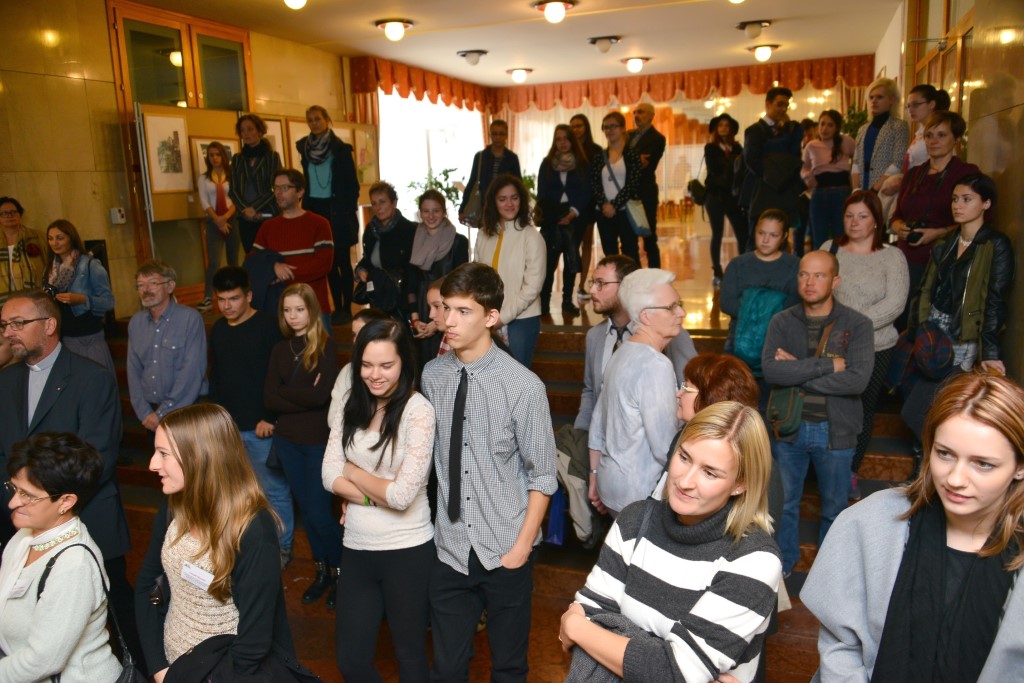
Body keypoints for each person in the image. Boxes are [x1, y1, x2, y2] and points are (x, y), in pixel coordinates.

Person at [802, 373, 1024, 682]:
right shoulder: (870, 522)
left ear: (1019, 466)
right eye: (945, 454)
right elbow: (841, 647)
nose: (955, 479)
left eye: (983, 464)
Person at [560, 401, 782, 682]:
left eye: (710, 472)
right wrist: (664, 660)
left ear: (741, 484)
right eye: (684, 457)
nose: (685, 481)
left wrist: (577, 628)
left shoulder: (754, 560)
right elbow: (591, 612)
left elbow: (673, 673)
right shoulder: (635, 520)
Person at [421, 262, 557, 682]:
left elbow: (543, 476)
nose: (449, 321)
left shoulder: (523, 386)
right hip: (450, 547)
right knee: (446, 668)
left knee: (509, 667)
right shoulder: (432, 375)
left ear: (491, 317)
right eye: (446, 308)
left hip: (506, 546)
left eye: (463, 311)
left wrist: (520, 550)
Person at [0, 289, 139, 667]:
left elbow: (98, 458)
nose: (8, 332)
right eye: (4, 325)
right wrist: (18, 502)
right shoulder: (6, 381)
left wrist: (47, 506)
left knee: (118, 617)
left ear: (49, 325)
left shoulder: (91, 378)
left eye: (18, 323)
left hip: (87, 517)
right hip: (23, 524)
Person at [135, 404, 309, 681]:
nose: (153, 464)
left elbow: (253, 644)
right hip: (172, 666)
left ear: (199, 457)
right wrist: (159, 668)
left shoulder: (253, 529)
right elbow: (146, 586)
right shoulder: (174, 506)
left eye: (163, 454)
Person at [323, 318, 436, 681]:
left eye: (386, 365)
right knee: (351, 661)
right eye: (367, 365)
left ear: (404, 362)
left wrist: (352, 471)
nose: (375, 375)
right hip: (357, 547)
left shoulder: (418, 411)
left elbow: (402, 497)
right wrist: (376, 495)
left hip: (408, 550)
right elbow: (328, 475)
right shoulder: (351, 403)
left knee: (410, 657)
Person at [762, 250, 874, 576]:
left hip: (835, 429)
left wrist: (796, 371)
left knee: (834, 509)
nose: (809, 282)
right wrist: (826, 366)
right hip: (789, 428)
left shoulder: (858, 325)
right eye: (803, 274)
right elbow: (771, 371)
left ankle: (828, 573)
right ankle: (781, 567)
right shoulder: (782, 321)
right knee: (784, 505)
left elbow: (857, 380)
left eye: (819, 275)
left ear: (835, 281)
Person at [899, 173, 1014, 441]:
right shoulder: (946, 242)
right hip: (933, 330)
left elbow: (995, 300)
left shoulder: (995, 244)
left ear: (986, 203)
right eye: (954, 199)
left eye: (966, 199)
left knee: (940, 408)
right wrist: (918, 327)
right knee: (919, 407)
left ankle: (931, 459)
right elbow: (926, 288)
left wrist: (990, 351)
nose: (957, 205)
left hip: (964, 334)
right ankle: (926, 458)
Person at [0, 432, 122, 682]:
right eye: (14, 488)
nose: (13, 503)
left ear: (66, 501)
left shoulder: (74, 565)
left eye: (28, 495)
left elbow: (41, 661)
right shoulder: (24, 536)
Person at [821, 191, 908, 491]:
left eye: (862, 216)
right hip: (830, 344)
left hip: (876, 346)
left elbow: (895, 303)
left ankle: (850, 471)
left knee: (862, 410)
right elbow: (815, 290)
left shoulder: (892, 257)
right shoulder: (830, 249)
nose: (854, 222)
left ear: (876, 221)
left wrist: (852, 328)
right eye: (849, 216)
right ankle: (825, 470)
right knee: (828, 407)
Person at [207, 266, 292, 567]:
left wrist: (271, 417)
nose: (227, 306)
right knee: (238, 493)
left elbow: (281, 377)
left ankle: (281, 549)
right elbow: (217, 377)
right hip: (229, 428)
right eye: (221, 299)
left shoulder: (268, 327)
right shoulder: (218, 329)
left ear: (249, 296)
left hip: (261, 428)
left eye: (233, 298)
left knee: (273, 491)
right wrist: (217, 421)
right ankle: (250, 549)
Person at [265, 283, 341, 607]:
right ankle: (322, 572)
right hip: (288, 443)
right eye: (287, 310)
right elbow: (269, 398)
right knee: (308, 514)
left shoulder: (325, 346)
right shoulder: (280, 349)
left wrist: (287, 393)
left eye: (299, 309)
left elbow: (321, 397)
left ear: (311, 310)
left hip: (317, 442)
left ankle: (341, 573)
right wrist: (303, 396)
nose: (293, 316)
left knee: (320, 513)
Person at [588, 268, 684, 517]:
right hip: (641, 492)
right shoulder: (656, 364)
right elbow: (665, 447)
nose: (681, 313)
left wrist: (594, 475)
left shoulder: (621, 352)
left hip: (612, 485)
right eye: (672, 307)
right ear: (646, 316)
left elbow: (597, 426)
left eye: (679, 304)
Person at [891, 111, 980, 328]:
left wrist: (938, 232)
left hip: (942, 260)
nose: (933, 141)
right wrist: (899, 226)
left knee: (926, 326)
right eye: (929, 135)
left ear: (956, 139)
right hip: (904, 258)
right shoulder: (914, 174)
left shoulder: (966, 173)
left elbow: (977, 220)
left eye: (941, 135)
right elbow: (896, 216)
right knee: (899, 320)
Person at [719, 209, 800, 407]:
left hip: (777, 343)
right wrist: (772, 303)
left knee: (770, 405)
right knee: (733, 404)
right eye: (761, 233)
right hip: (738, 341)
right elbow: (726, 303)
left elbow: (794, 305)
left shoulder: (794, 265)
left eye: (773, 235)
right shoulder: (738, 264)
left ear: (784, 236)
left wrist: (751, 302)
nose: (765, 240)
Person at [295, 105, 361, 324]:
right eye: (310, 120)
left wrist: (346, 209)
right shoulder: (304, 148)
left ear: (327, 120)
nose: (314, 123)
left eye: (318, 119)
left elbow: (352, 185)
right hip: (316, 209)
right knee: (327, 262)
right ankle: (335, 308)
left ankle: (346, 307)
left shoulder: (340, 149)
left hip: (338, 211)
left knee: (342, 261)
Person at [472, 173, 546, 368]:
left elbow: (532, 288)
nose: (509, 204)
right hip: (488, 317)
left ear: (521, 200)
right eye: (502, 199)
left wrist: (502, 318)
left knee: (516, 377)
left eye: (514, 198)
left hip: (522, 320)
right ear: (493, 202)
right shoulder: (483, 234)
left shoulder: (532, 237)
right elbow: (476, 278)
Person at [127, 260, 207, 434]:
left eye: (153, 283)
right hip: (150, 416)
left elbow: (192, 372)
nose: (145, 289)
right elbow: (133, 372)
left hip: (186, 410)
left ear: (170, 286)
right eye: (140, 285)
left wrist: (162, 413)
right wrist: (145, 413)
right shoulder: (136, 323)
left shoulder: (190, 319)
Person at [251, 168, 335, 323]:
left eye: (284, 188)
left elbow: (323, 264)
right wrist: (273, 267)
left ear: (300, 192)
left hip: (314, 307)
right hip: (279, 309)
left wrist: (283, 275)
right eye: (276, 188)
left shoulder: (319, 223)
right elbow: (252, 261)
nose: (278, 193)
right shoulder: (267, 227)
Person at [42, 219, 116, 372]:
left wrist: (82, 299)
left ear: (71, 238)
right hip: (62, 338)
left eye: (60, 238)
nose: (55, 243)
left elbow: (109, 302)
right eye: (50, 238)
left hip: (87, 337)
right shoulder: (49, 269)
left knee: (94, 382)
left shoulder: (90, 265)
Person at [740, 87, 805, 253]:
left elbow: (795, 158)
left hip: (784, 193)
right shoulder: (754, 131)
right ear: (768, 104)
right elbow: (751, 161)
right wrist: (775, 176)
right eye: (779, 104)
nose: (783, 109)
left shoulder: (790, 131)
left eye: (786, 105)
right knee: (756, 238)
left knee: (781, 238)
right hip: (761, 193)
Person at [536, 123, 592, 316]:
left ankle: (567, 301)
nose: (562, 143)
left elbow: (587, 191)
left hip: (575, 218)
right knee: (548, 263)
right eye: (558, 139)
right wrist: (555, 215)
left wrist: (573, 212)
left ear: (572, 141)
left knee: (571, 262)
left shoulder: (582, 164)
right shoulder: (547, 163)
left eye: (566, 138)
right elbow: (542, 193)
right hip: (552, 219)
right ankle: (544, 303)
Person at [409, 189, 468, 359]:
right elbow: (410, 283)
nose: (431, 216)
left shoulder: (459, 242)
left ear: (444, 212)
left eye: (436, 210)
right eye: (426, 211)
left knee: (445, 363)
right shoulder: (413, 239)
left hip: (447, 311)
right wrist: (415, 319)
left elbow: (461, 285)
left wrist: (436, 322)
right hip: (420, 311)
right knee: (420, 363)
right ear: (420, 213)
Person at [354, 181, 418, 323]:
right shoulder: (370, 230)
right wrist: (361, 269)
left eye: (382, 202)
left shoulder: (408, 230)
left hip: (401, 297)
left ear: (394, 203)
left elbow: (412, 270)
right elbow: (368, 259)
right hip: (377, 295)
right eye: (374, 203)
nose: (378, 207)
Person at [879, 83, 952, 196]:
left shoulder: (940, 133)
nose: (911, 110)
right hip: (913, 188)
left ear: (931, 104)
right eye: (908, 106)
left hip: (928, 190)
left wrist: (902, 182)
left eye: (916, 105)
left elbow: (940, 168)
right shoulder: (920, 132)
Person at [328, 307, 393, 429]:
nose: (356, 340)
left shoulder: (395, 370)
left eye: (363, 333)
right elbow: (333, 420)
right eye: (354, 334)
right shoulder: (348, 371)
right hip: (352, 438)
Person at [590, 111, 642, 264]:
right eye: (606, 127)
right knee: (610, 255)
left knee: (630, 254)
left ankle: (633, 280)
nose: (609, 130)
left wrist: (614, 205)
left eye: (613, 126)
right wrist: (605, 205)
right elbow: (594, 183)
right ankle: (614, 281)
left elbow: (633, 183)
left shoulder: (632, 154)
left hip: (626, 211)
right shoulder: (599, 156)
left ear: (623, 128)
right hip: (603, 212)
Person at [703, 113, 748, 286]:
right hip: (715, 196)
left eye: (727, 125)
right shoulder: (711, 148)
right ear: (716, 129)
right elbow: (714, 169)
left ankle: (743, 268)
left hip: (733, 197)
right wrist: (731, 164)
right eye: (720, 125)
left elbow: (741, 169)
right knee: (717, 233)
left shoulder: (737, 147)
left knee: (742, 233)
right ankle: (717, 270)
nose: (723, 128)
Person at [801, 109, 855, 249]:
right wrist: (808, 177)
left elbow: (859, 159)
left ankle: (841, 262)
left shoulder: (846, 141)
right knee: (819, 236)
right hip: (819, 192)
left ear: (837, 128)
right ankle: (821, 262)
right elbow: (804, 167)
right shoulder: (811, 145)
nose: (824, 129)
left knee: (841, 235)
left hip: (841, 193)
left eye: (830, 125)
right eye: (822, 124)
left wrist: (855, 180)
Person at [230, 114, 282, 253]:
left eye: (250, 129)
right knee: (251, 256)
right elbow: (233, 190)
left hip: (267, 214)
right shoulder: (237, 159)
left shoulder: (272, 157)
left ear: (259, 131)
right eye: (242, 130)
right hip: (245, 217)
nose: (246, 133)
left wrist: (255, 208)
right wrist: (245, 210)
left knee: (271, 255)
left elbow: (275, 187)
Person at [197, 141, 239, 311]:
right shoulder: (204, 178)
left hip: (232, 220)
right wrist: (218, 220)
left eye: (217, 154)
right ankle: (208, 297)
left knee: (233, 260)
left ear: (223, 156)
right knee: (214, 261)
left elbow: (236, 199)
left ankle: (236, 294)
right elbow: (204, 202)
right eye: (211, 155)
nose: (214, 158)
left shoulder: (232, 176)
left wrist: (226, 218)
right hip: (213, 222)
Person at [850, 77, 910, 198]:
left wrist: (875, 189)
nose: (874, 101)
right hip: (862, 189)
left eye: (879, 97)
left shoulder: (899, 126)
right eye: (871, 97)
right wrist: (856, 190)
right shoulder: (862, 129)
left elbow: (898, 162)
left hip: (885, 191)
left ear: (892, 100)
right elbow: (855, 162)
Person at [458, 119, 522, 224]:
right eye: (495, 134)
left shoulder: (512, 158)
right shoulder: (480, 157)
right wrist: (463, 208)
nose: (498, 137)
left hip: (506, 207)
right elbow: (472, 182)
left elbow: (518, 185)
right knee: (485, 233)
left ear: (506, 135)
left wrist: (521, 209)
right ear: (490, 135)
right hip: (485, 207)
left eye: (501, 134)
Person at [628, 102, 666, 267]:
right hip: (627, 193)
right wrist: (635, 158)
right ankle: (633, 274)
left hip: (645, 192)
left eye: (641, 112)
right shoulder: (627, 135)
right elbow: (618, 158)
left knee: (649, 238)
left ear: (651, 115)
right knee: (629, 240)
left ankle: (655, 275)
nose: (637, 115)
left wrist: (628, 158)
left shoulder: (657, 138)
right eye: (635, 112)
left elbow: (645, 164)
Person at [569, 114, 602, 299]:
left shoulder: (596, 150)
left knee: (586, 244)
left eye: (579, 126)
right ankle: (568, 285)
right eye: (573, 126)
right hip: (569, 205)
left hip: (589, 204)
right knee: (568, 244)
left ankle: (581, 284)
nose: (576, 129)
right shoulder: (566, 148)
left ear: (586, 127)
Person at [0, 196, 45, 304]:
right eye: (4, 213)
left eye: (13, 212)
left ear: (20, 215)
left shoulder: (37, 237)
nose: (9, 215)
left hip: (35, 298)